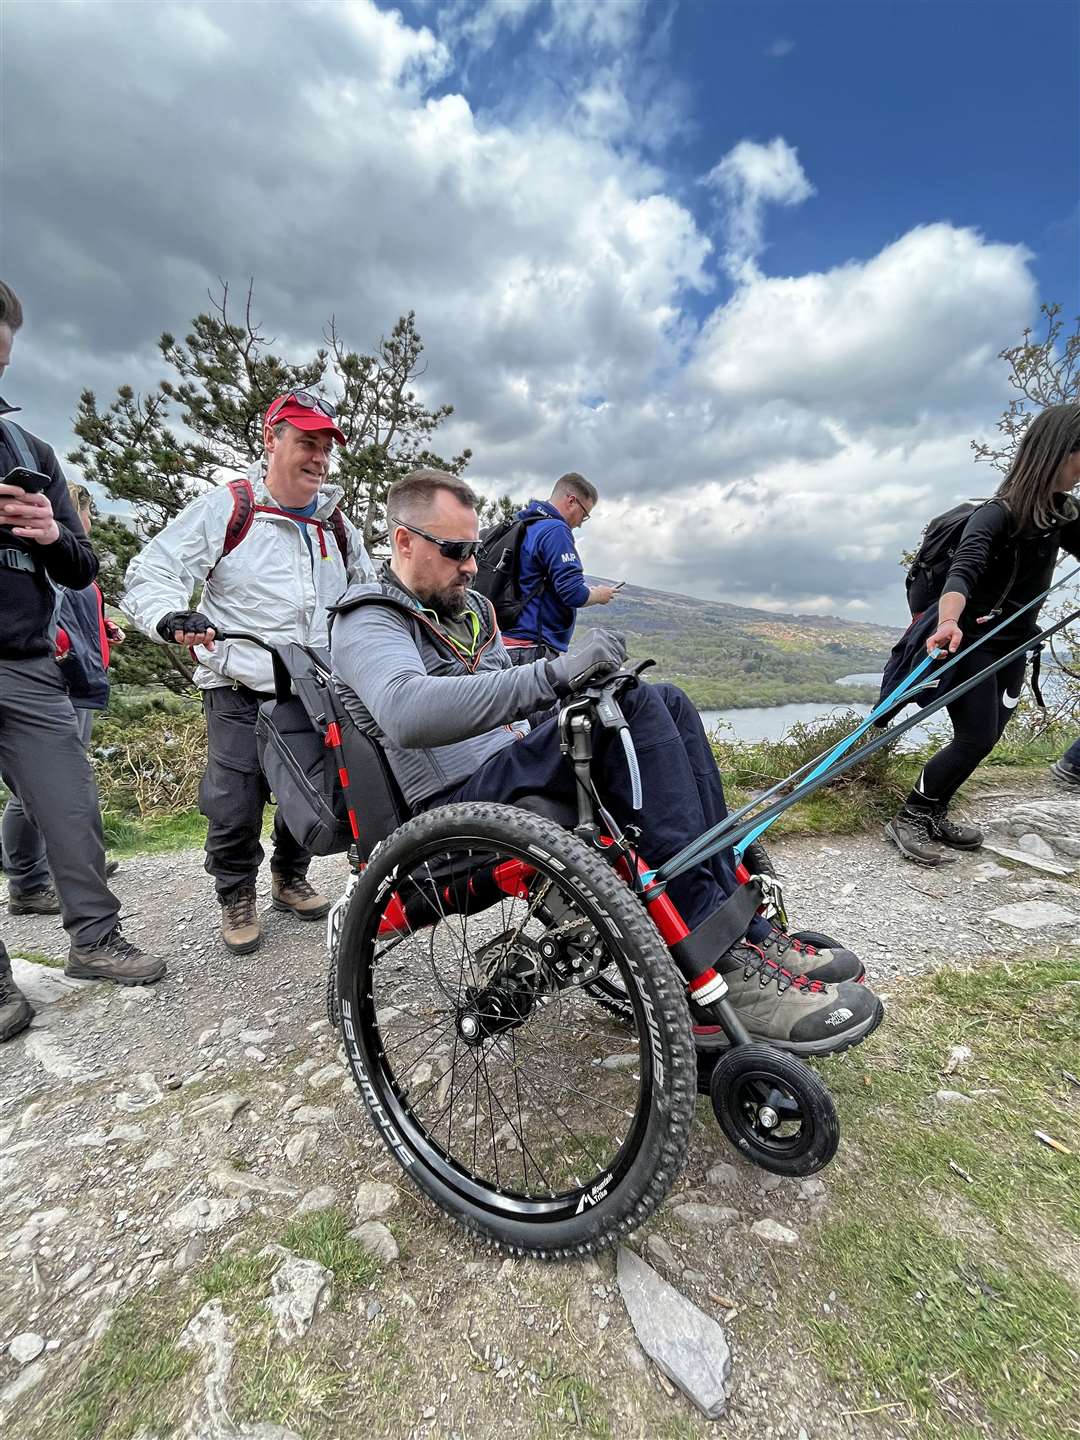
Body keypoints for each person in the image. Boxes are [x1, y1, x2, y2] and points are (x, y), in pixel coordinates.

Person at [330, 468, 882, 1055]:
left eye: (474, 548)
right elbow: (405, 711)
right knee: (635, 708)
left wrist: (583, 690)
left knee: (658, 698)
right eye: (457, 551)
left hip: (504, 772)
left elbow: (509, 709)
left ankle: (744, 932)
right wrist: (552, 674)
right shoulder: (368, 619)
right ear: (403, 541)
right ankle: (711, 956)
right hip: (451, 809)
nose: (472, 565)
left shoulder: (470, 613)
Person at [122, 391, 375, 954]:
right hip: (237, 688)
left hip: (311, 689)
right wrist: (169, 615)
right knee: (234, 801)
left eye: (325, 447)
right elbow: (154, 568)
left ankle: (289, 875)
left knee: (306, 793)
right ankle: (237, 894)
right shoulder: (231, 507)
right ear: (271, 441)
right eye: (306, 443)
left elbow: (369, 591)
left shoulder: (336, 527)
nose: (318, 458)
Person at [0, 280, 162, 1045]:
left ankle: (94, 941)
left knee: (71, 808)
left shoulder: (31, 452)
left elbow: (81, 565)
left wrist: (46, 533)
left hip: (29, 661)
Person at [885, 404, 1080, 865]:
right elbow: (962, 572)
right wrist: (948, 622)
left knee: (987, 738)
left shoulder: (1061, 515)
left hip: (1016, 643)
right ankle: (910, 816)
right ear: (1059, 452)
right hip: (968, 640)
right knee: (974, 736)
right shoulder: (996, 515)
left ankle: (933, 811)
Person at [3, 482, 123, 916]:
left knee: (65, 785)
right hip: (61, 679)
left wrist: (104, 630)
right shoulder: (42, 557)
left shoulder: (69, 556)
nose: (87, 522)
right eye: (84, 511)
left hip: (83, 679)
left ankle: (65, 871)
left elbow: (81, 613)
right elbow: (52, 617)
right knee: (35, 789)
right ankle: (29, 880)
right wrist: (65, 653)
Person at [501, 472, 618, 665]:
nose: (580, 523)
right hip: (531, 648)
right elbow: (573, 593)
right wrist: (599, 595)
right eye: (584, 515)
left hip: (504, 643)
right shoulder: (555, 530)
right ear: (571, 501)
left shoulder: (523, 523)